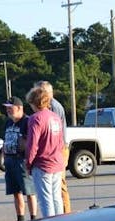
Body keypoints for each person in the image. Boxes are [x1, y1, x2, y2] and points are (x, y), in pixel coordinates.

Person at [25, 86, 65, 217]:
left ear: (33, 102)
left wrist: (28, 164)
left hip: (42, 164)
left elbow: (32, 144)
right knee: (57, 198)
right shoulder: (55, 117)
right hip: (57, 162)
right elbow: (60, 142)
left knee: (45, 200)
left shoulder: (35, 118)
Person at [34, 81, 71, 213]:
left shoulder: (53, 107)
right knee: (55, 190)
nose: (37, 94)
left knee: (58, 187)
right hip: (57, 149)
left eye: (39, 91)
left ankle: (65, 215)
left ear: (48, 92)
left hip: (57, 149)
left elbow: (52, 132)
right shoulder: (50, 106)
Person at [2, 96, 38, 221]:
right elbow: (4, 140)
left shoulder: (27, 121)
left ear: (19, 108)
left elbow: (31, 142)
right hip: (10, 160)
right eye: (7, 108)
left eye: (10, 108)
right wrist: (4, 156)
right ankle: (20, 218)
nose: (8, 110)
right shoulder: (8, 122)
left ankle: (33, 217)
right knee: (15, 191)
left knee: (29, 191)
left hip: (21, 160)